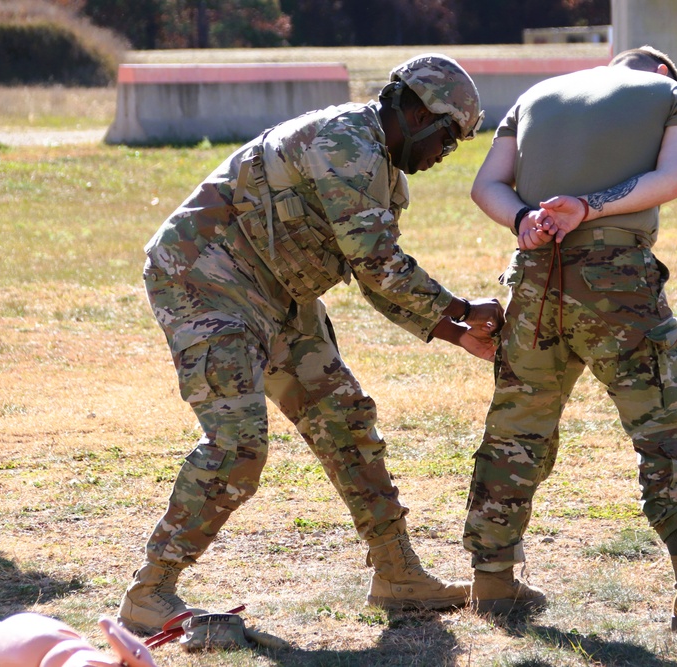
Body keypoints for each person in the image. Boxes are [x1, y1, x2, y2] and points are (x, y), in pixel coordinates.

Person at [119, 53, 503, 635]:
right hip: (204, 279)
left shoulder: (382, 170)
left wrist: (454, 332)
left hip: (279, 296)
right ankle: (150, 593)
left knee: (345, 419)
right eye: (448, 137)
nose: (445, 154)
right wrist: (463, 309)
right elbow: (378, 264)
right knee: (237, 447)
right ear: (419, 114)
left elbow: (370, 275)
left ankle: (397, 574)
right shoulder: (346, 141)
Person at [462, 46, 677, 631]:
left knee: (516, 427)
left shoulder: (533, 97)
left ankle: (493, 583)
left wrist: (524, 221)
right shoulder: (668, 94)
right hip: (618, 287)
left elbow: (488, 185)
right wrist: (590, 207)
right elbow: (673, 178)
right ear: (661, 71)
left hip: (533, 283)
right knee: (663, 429)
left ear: (611, 66)